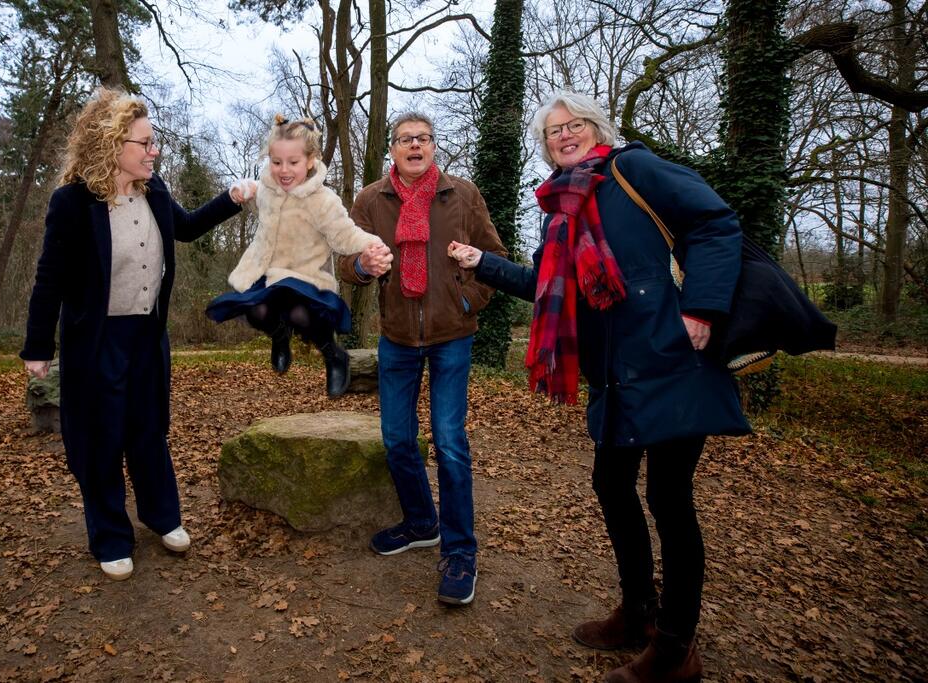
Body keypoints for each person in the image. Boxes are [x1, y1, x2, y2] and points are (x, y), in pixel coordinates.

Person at [449, 91, 750, 682]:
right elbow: (544, 284)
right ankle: (638, 610)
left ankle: (674, 647)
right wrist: (482, 261)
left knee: (668, 498)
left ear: (597, 128)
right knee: (611, 484)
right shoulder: (559, 207)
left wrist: (704, 307)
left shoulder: (633, 168)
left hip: (672, 359)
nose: (564, 134)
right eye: (553, 130)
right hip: (615, 373)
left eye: (575, 124)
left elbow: (717, 221)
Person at [20, 88, 246, 581]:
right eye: (145, 143)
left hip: (148, 337)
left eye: (154, 142)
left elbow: (184, 229)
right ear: (111, 144)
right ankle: (110, 536)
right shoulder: (72, 203)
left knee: (148, 430)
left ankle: (162, 517)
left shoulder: (155, 190)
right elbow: (50, 277)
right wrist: (38, 346)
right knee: (101, 439)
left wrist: (229, 199)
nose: (154, 150)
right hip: (97, 341)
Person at [337, 112, 506, 606]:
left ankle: (460, 553)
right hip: (397, 337)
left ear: (434, 147)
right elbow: (346, 262)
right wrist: (362, 266)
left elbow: (493, 256)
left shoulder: (462, 194)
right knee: (396, 438)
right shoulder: (371, 199)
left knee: (451, 443)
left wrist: (468, 300)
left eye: (424, 139)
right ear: (392, 149)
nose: (415, 145)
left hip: (453, 334)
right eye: (406, 139)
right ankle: (420, 522)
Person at [205, 115, 390, 397]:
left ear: (311, 160)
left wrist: (373, 245)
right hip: (269, 274)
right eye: (276, 162)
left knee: (300, 314)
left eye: (293, 163)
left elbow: (345, 235)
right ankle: (280, 335)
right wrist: (243, 189)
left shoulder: (322, 200)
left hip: (306, 278)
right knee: (256, 310)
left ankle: (334, 356)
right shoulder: (268, 190)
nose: (284, 170)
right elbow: (257, 200)